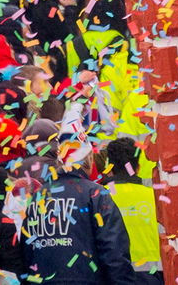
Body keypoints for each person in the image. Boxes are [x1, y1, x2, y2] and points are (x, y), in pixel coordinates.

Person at [13, 120, 140, 285]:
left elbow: (26, 253)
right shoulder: (96, 194)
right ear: (87, 159)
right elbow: (114, 252)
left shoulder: (39, 196)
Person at [100, 137, 162, 284]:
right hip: (154, 276)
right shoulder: (154, 197)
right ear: (138, 167)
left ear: (108, 168)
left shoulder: (100, 198)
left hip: (114, 276)